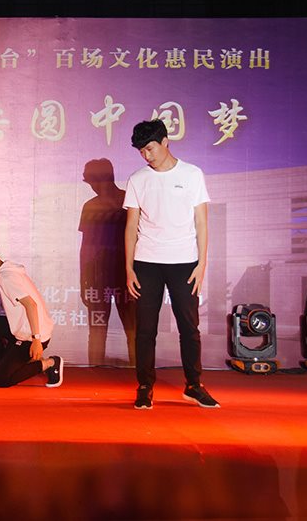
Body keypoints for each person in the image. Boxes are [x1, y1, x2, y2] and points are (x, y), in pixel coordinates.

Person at [123, 119, 219, 409]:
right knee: (145, 329)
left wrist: (202, 264)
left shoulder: (192, 174)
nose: (146, 155)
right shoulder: (138, 178)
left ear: (165, 142)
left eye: (150, 149)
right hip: (146, 262)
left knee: (189, 327)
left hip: (184, 261)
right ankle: (145, 386)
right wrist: (129, 268)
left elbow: (202, 222)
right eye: (141, 151)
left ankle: (194, 385)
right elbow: (131, 226)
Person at [0, 236, 63, 388]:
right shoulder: (6, 271)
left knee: (2, 380)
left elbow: (31, 305)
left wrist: (36, 341)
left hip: (32, 335)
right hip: (23, 328)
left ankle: (49, 363)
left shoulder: (7, 276)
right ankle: (6, 365)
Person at [79, 158, 136, 366]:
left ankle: (136, 370)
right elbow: (86, 247)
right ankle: (96, 371)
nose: (92, 186)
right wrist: (83, 281)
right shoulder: (92, 206)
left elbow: (86, 248)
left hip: (123, 277)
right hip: (102, 277)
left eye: (91, 181)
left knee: (130, 330)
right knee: (104, 330)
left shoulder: (129, 203)